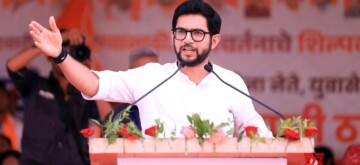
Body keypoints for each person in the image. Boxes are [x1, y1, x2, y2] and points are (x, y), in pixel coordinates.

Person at [28, 0, 273, 138]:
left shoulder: (231, 83)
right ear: (173, 36)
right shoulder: (151, 77)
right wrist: (61, 56)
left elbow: (261, 139)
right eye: (181, 32)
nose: (187, 39)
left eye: (197, 33)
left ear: (214, 40)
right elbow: (93, 84)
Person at [6, 29, 112, 165]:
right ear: (48, 56)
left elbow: (110, 119)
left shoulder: (85, 92)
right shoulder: (35, 85)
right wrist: (51, 42)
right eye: (62, 50)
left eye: (69, 52)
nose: (65, 56)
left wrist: (90, 76)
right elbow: (12, 66)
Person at [109, 47, 159, 131]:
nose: (147, 78)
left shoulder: (172, 109)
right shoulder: (117, 118)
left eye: (152, 72)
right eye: (141, 73)